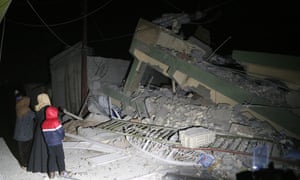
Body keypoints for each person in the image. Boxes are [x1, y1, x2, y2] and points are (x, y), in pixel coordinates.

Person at [27, 93, 58, 173]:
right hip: (48, 131)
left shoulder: (38, 109)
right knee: (48, 150)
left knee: (39, 150)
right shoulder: (49, 109)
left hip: (39, 132)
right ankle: (50, 168)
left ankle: (39, 167)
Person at [42, 106, 69, 179]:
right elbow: (61, 132)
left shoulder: (44, 123)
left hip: (49, 144)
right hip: (57, 143)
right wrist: (62, 137)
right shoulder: (56, 122)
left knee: (51, 158)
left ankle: (51, 174)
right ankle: (62, 171)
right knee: (60, 157)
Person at [13, 92, 35, 169]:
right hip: (27, 134)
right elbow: (33, 116)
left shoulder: (18, 107)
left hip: (18, 134)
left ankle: (22, 164)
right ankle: (27, 163)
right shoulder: (27, 110)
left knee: (21, 150)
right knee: (27, 150)